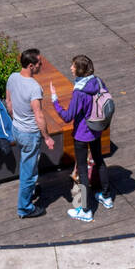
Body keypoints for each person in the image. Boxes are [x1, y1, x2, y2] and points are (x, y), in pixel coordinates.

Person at [49, 54, 113, 222]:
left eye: (73, 66)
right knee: (99, 161)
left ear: (80, 69)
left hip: (82, 135)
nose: (71, 68)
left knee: (82, 171)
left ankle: (85, 210)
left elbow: (67, 116)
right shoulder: (98, 82)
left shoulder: (79, 92)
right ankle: (106, 197)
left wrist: (54, 100)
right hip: (96, 130)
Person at [5, 49, 54, 220]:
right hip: (30, 134)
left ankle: (31, 191)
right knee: (29, 173)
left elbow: (9, 103)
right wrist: (47, 137)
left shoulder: (12, 77)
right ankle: (24, 208)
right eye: (40, 62)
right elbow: (38, 115)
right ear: (31, 66)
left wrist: (15, 120)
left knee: (28, 164)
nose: (42, 65)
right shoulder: (34, 87)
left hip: (16, 129)